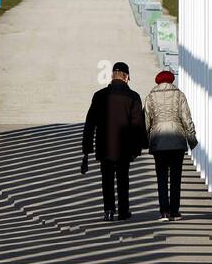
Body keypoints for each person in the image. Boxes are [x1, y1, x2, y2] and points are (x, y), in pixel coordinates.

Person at [81, 61, 146, 221]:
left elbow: (90, 123)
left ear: (112, 76)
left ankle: (109, 210)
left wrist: (86, 149)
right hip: (125, 147)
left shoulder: (99, 95)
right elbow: (138, 124)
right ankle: (124, 211)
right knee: (123, 179)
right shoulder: (133, 97)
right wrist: (140, 146)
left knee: (107, 179)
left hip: (105, 146)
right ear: (127, 77)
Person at [143, 69, 197, 221]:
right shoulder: (179, 95)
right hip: (177, 141)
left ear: (158, 81)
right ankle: (175, 211)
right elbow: (187, 119)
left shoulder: (150, 97)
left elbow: (146, 121)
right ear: (172, 80)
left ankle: (164, 211)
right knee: (175, 178)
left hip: (159, 141)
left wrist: (146, 141)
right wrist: (191, 139)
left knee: (161, 178)